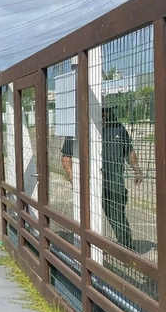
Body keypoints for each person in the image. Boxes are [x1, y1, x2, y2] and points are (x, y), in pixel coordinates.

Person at [60, 106, 143, 250]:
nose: (103, 115)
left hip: (114, 183)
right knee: (86, 217)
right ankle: (88, 249)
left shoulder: (118, 128)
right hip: (88, 183)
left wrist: (137, 170)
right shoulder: (79, 129)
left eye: (105, 111)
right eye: (100, 112)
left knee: (117, 217)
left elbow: (129, 151)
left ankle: (127, 249)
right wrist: (73, 177)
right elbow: (66, 157)